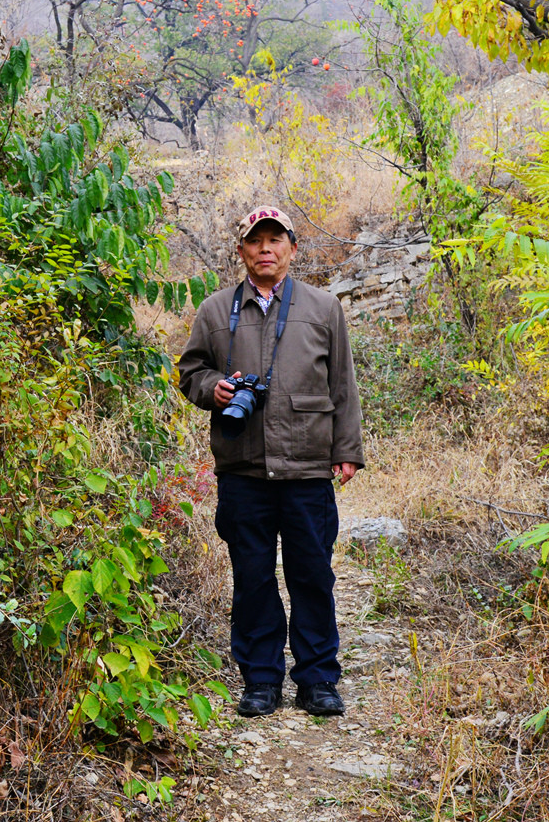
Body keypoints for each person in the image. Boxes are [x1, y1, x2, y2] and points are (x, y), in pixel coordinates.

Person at [177, 205, 364, 718]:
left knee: (311, 575)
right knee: (253, 578)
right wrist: (209, 389)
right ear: (241, 251)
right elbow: (190, 370)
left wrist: (347, 451)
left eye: (275, 239)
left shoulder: (324, 308)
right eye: (255, 241)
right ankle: (260, 682)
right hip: (243, 470)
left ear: (292, 249)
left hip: (307, 469)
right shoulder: (216, 311)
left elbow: (342, 385)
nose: (266, 249)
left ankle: (318, 681)